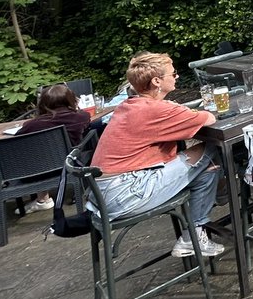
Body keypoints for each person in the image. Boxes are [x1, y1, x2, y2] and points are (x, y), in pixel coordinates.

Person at [89, 52, 225, 257]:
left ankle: (194, 234)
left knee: (208, 168)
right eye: (173, 73)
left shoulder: (130, 105)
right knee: (210, 149)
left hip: (102, 195)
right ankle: (205, 220)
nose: (176, 77)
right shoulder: (154, 110)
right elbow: (207, 118)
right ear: (156, 81)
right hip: (125, 194)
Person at [17, 83, 92, 211]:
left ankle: (42, 199)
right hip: (69, 165)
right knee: (91, 139)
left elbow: (18, 139)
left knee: (35, 150)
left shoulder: (32, 125)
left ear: (43, 103)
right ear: (70, 99)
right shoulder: (81, 117)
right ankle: (91, 188)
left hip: (34, 172)